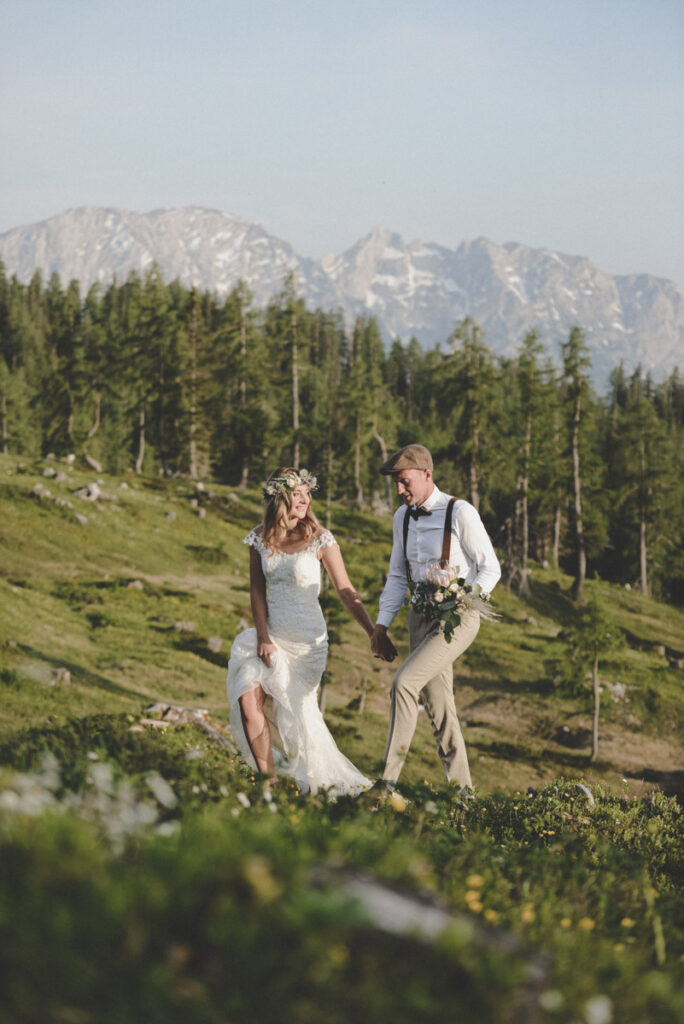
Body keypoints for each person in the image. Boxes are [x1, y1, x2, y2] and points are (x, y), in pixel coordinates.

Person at [226, 467, 374, 797]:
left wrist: (371, 630)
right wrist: (263, 637)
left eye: (308, 494)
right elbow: (256, 591)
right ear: (280, 497)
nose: (305, 500)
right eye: (298, 494)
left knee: (298, 715)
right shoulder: (259, 538)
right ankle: (269, 785)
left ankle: (314, 781)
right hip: (270, 637)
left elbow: (344, 589)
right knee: (248, 699)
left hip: (307, 641)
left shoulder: (320, 538)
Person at [370, 444, 501, 791]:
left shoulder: (459, 512)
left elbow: (490, 568)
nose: (399, 490)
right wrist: (381, 625)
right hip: (419, 616)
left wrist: (464, 599)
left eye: (404, 481)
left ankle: (386, 784)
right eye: (396, 483)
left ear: (427, 475)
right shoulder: (402, 517)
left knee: (404, 683)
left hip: (457, 617)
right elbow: (398, 575)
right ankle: (463, 793)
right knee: (440, 707)